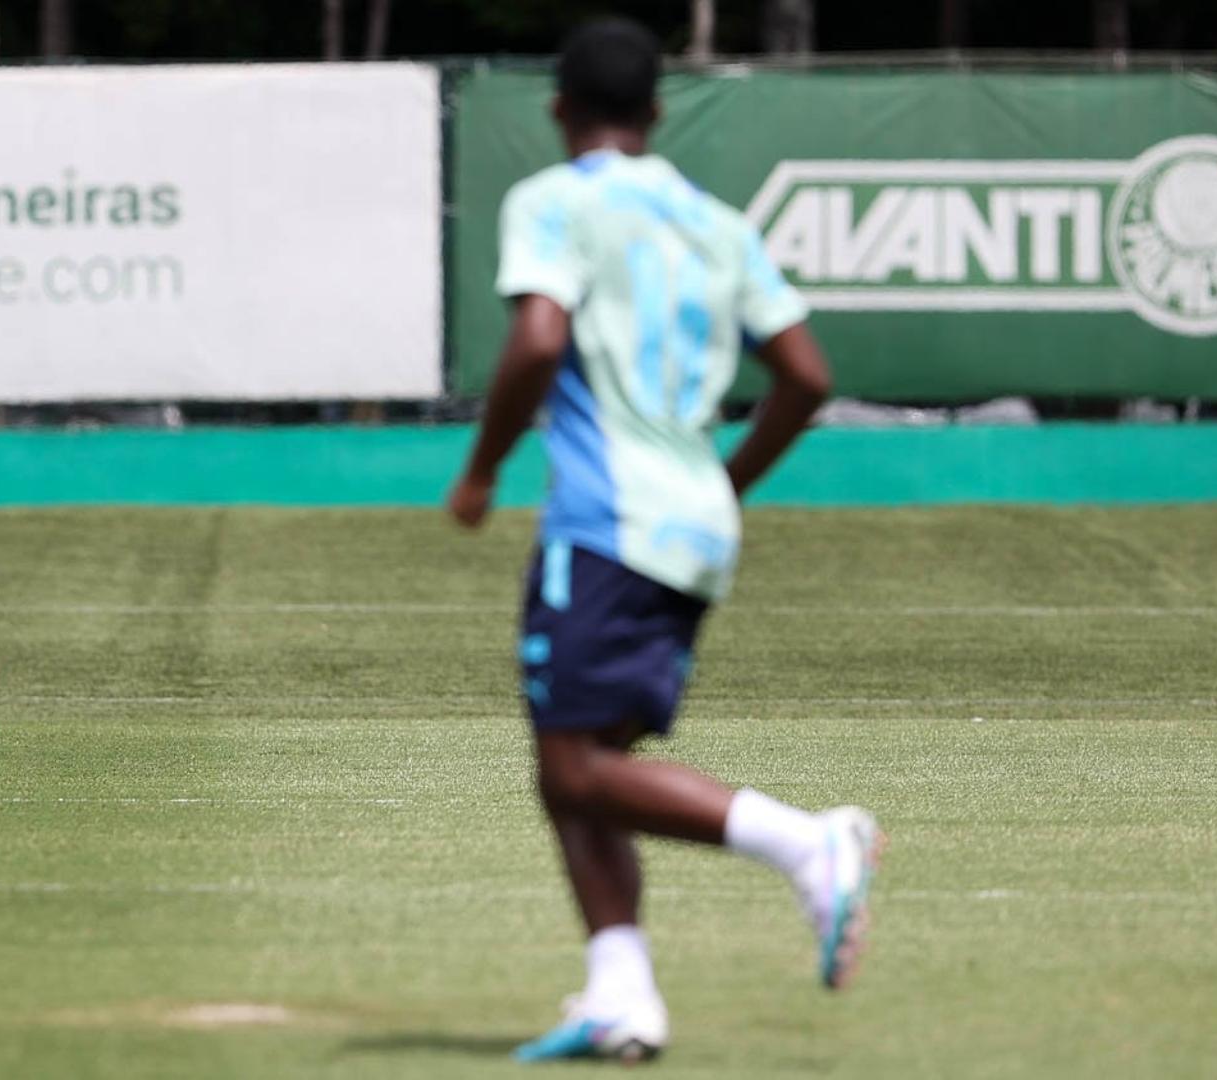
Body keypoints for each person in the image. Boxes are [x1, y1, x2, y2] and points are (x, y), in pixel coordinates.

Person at [446, 18, 883, 1063]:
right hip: (691, 528)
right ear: (656, 113)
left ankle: (807, 844)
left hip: (607, 525)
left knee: (575, 770)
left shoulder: (555, 200)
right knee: (580, 763)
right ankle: (622, 995)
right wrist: (721, 481)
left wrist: (483, 466)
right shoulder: (716, 224)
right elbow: (807, 378)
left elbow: (539, 339)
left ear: (559, 109)